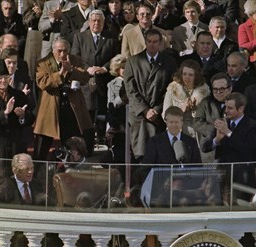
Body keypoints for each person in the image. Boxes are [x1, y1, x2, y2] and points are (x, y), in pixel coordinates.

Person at [34, 37, 93, 161]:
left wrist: (71, 70)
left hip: (71, 107)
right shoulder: (43, 63)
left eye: (65, 51)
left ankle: (71, 167)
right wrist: (60, 73)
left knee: (71, 143)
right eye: (59, 51)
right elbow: (43, 83)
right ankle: (38, 169)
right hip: (50, 107)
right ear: (53, 49)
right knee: (42, 145)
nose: (62, 54)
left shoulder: (75, 60)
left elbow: (84, 77)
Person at [124, 28, 177, 161]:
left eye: (155, 42)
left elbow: (171, 89)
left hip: (158, 115)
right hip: (139, 115)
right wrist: (144, 110)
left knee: (158, 155)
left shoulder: (169, 62)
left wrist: (157, 109)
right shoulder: (133, 61)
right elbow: (130, 89)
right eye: (149, 41)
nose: (152, 44)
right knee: (140, 155)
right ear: (145, 42)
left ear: (160, 43)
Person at [202, 92, 256, 201]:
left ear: (241, 109)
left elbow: (246, 148)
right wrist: (217, 140)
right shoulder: (221, 122)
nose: (226, 111)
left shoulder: (253, 126)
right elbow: (205, 147)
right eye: (225, 107)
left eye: (230, 108)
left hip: (241, 176)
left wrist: (228, 132)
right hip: (221, 174)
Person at [70, 9, 121, 127]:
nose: (96, 23)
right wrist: (87, 68)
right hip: (85, 81)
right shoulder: (80, 37)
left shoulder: (112, 37)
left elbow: (117, 57)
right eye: (93, 21)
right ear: (89, 22)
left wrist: (105, 68)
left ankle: (103, 139)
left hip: (105, 82)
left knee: (103, 114)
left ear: (103, 22)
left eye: (99, 21)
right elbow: (75, 57)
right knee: (87, 115)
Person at [163, 59, 210, 139]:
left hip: (197, 135)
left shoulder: (204, 90)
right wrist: (181, 110)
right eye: (184, 74)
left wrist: (195, 109)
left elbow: (208, 117)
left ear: (196, 76)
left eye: (191, 75)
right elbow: (165, 115)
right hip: (177, 132)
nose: (187, 77)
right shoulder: (172, 89)